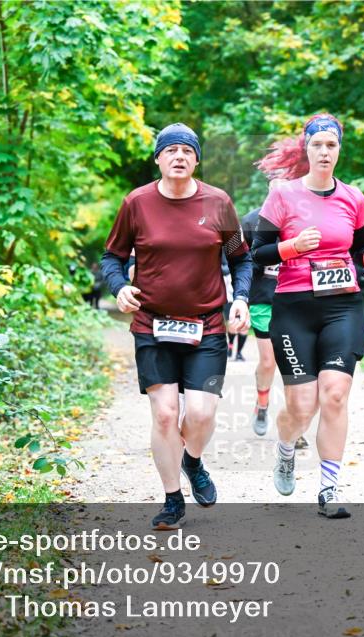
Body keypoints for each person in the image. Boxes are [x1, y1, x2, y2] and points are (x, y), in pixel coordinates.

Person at [100, 123, 252, 530]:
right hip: (152, 325)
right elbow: (111, 258)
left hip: (206, 326)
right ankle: (172, 500)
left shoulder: (218, 203)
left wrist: (240, 298)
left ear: (197, 159)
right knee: (165, 415)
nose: (179, 156)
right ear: (158, 159)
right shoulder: (137, 203)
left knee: (200, 414)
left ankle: (193, 461)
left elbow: (242, 260)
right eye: (171, 151)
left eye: (188, 150)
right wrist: (119, 288)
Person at [250, 113, 364, 519]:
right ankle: (286, 447)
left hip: (342, 306)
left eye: (331, 145)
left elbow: (363, 246)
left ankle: (329, 489)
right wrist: (292, 247)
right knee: (302, 407)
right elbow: (257, 254)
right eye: (317, 145)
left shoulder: (354, 198)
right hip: (294, 309)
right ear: (306, 150)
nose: (324, 151)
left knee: (336, 395)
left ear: (339, 150)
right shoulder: (283, 197)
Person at [240, 178, 308, 449]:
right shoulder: (250, 221)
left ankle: (295, 427)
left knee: (295, 365)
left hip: (295, 300)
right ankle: (262, 403)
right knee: (269, 361)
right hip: (263, 300)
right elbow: (236, 259)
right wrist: (240, 296)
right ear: (269, 189)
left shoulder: (303, 218)